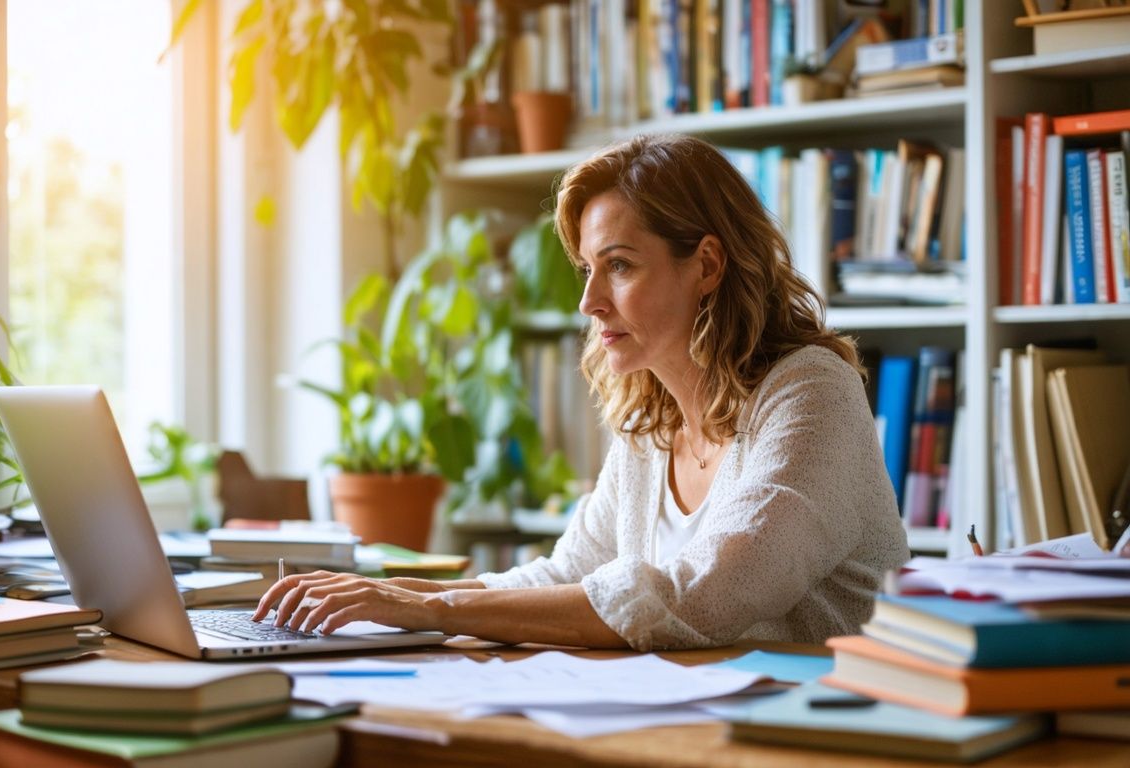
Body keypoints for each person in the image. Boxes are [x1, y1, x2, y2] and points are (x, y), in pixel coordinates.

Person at [253, 135, 910, 650]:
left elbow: (703, 594)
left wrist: (434, 607)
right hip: (692, 730)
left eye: (619, 266)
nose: (591, 302)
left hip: (828, 741)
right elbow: (566, 576)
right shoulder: (650, 424)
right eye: (588, 269)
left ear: (707, 265)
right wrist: (394, 595)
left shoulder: (811, 392)